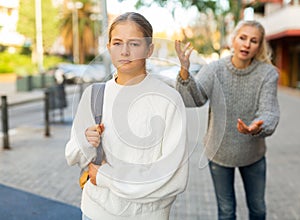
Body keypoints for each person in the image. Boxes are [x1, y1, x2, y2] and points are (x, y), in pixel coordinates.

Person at [65, 12, 188, 220]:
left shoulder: (169, 99)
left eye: (134, 44)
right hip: (95, 212)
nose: (124, 52)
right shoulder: (95, 95)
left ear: (149, 49)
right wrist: (85, 140)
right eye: (117, 43)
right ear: (109, 47)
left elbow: (173, 177)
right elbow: (72, 155)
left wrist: (106, 177)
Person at [175, 20, 280, 220]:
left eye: (254, 40)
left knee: (257, 209)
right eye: (243, 38)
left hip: (253, 154)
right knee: (226, 211)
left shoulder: (267, 74)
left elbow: (270, 112)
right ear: (233, 40)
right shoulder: (215, 69)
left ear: (259, 46)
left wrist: (258, 127)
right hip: (219, 152)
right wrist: (184, 72)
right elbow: (192, 100)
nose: (247, 44)